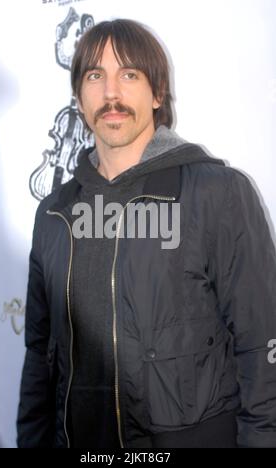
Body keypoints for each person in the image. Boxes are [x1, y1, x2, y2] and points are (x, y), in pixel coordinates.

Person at [17, 19, 276, 448]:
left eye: (129, 74)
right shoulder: (54, 213)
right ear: (80, 99)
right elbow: (38, 358)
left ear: (157, 94)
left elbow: (262, 344)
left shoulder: (218, 193)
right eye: (95, 76)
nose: (111, 93)